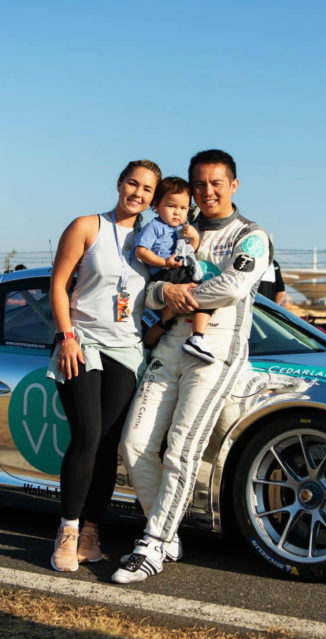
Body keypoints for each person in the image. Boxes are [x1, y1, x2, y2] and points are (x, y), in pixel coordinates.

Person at [114, 149, 272, 584]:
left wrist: (183, 295)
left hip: (215, 348)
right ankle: (165, 534)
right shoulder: (179, 226)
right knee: (135, 445)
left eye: (216, 183)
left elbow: (234, 285)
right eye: (199, 184)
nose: (206, 192)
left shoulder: (251, 235)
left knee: (182, 448)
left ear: (234, 185)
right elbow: (145, 290)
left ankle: (151, 544)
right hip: (170, 344)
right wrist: (164, 294)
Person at [46, 159, 159, 573]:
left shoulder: (156, 241)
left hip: (126, 350)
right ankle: (68, 529)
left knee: (109, 445)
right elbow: (58, 284)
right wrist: (67, 337)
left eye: (147, 189)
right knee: (88, 435)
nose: (138, 194)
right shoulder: (87, 226)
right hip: (83, 343)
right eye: (133, 183)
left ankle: (92, 531)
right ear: (119, 183)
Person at [134, 176, 212, 361]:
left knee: (167, 319)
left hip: (179, 270)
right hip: (165, 273)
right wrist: (164, 262)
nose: (177, 212)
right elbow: (141, 251)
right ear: (156, 205)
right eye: (171, 206)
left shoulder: (184, 227)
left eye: (183, 208)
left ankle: (151, 345)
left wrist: (193, 238)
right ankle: (197, 337)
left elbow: (191, 250)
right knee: (205, 296)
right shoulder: (155, 227)